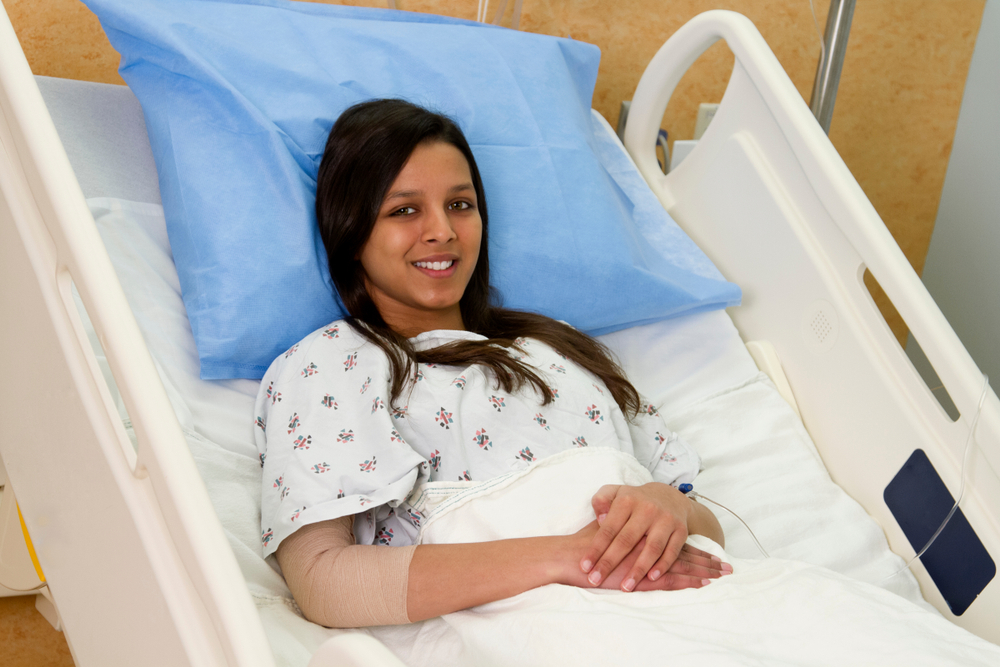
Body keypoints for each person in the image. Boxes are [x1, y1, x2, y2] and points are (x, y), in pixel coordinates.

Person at [254, 99, 729, 629]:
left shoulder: (559, 345)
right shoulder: (332, 362)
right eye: (404, 210)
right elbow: (326, 583)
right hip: (535, 621)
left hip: (681, 602)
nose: (443, 231)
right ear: (351, 231)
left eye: (460, 204)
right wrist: (571, 557)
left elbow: (704, 523)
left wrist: (670, 507)